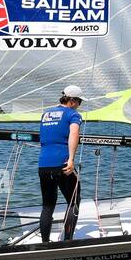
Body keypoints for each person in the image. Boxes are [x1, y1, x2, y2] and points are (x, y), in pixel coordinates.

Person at [37, 85, 83, 243]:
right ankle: (68, 241)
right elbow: (74, 133)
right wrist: (71, 159)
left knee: (48, 205)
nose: (79, 105)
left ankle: (45, 243)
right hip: (62, 164)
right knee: (73, 201)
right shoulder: (73, 115)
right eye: (79, 101)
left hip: (43, 165)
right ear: (71, 101)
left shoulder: (46, 114)